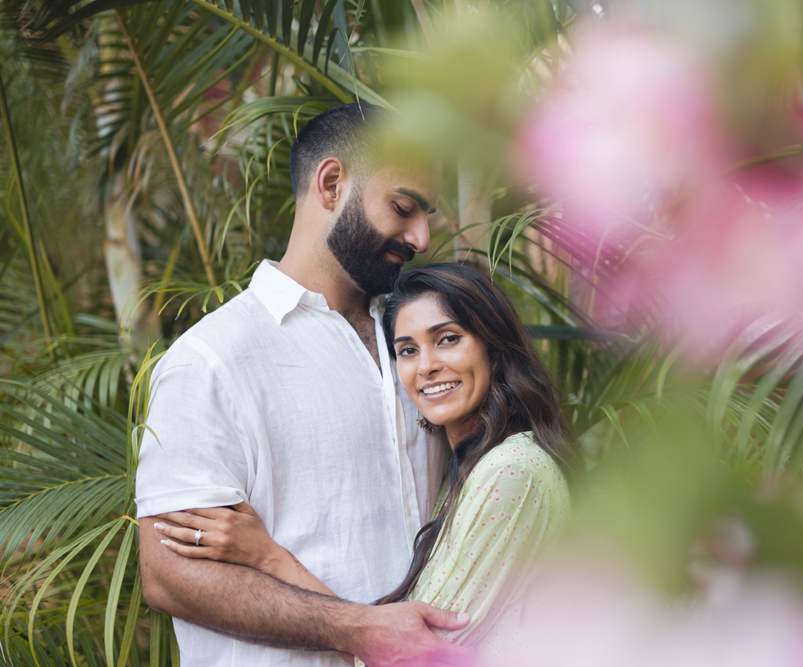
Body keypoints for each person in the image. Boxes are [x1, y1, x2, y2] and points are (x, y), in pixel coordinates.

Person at [136, 103, 472, 667]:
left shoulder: (421, 344)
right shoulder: (212, 359)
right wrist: (362, 630)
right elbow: (171, 576)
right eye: (404, 207)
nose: (420, 235)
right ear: (333, 183)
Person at [153, 263, 578, 661]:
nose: (427, 366)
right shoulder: (469, 469)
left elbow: (418, 657)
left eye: (448, 339)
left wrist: (269, 558)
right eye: (407, 350)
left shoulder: (512, 471)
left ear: (494, 346)